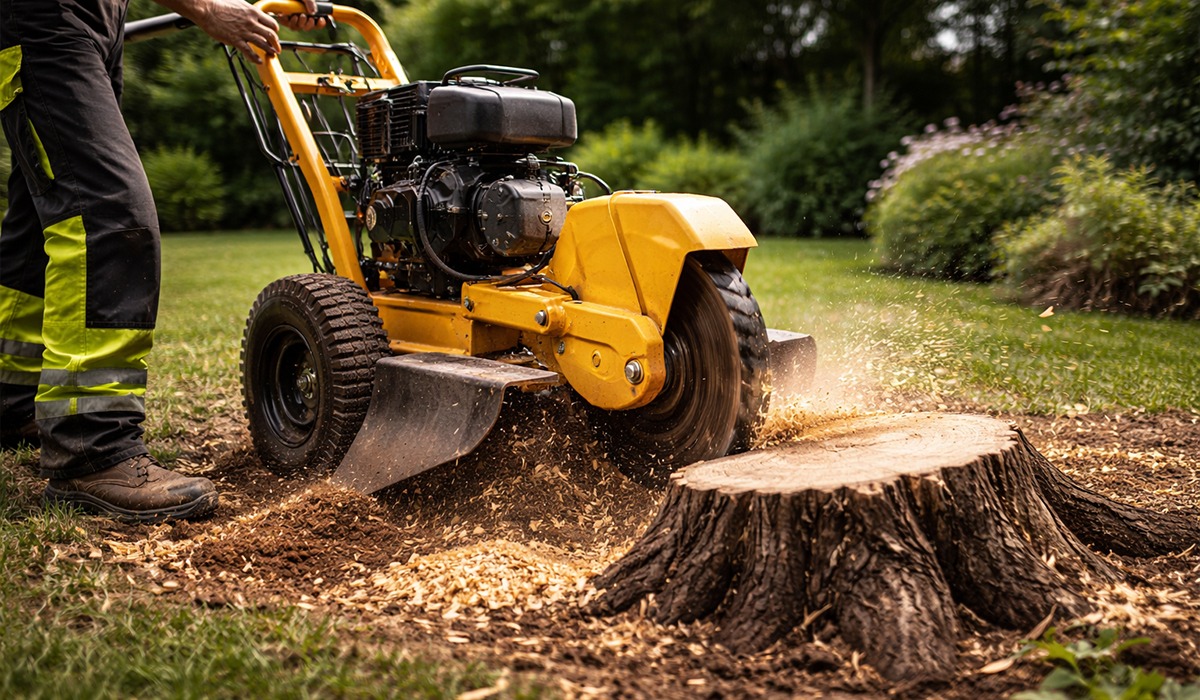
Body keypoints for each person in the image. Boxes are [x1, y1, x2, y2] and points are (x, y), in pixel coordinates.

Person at [0, 0, 322, 522]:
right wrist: (207, 9)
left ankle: (11, 404)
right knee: (107, 213)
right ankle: (92, 448)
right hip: (43, 16)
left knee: (36, 217)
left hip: (94, 20)